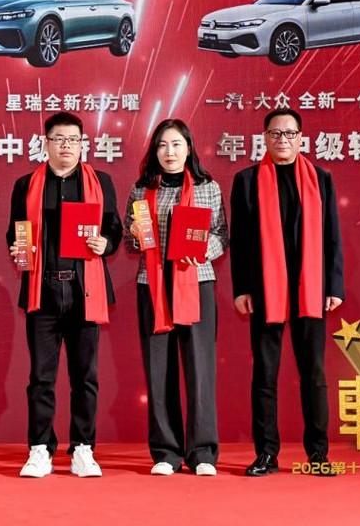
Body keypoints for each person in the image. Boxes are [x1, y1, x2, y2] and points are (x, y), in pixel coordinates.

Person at [230, 108, 345, 478]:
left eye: (290, 133)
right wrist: (241, 288)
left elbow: (332, 235)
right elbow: (240, 242)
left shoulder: (321, 179)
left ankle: (318, 454)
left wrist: (334, 286)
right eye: (275, 133)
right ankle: (266, 454)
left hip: (311, 289)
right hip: (265, 289)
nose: (283, 140)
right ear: (265, 137)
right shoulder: (246, 180)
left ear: (300, 138)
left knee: (314, 373)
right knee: (265, 374)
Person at [7, 112, 122, 478]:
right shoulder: (26, 184)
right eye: (59, 139)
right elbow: (15, 231)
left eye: (73, 140)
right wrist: (18, 249)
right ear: (46, 143)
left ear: (82, 144)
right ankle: (39, 448)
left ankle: (83, 448)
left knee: (85, 376)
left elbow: (114, 228)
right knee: (41, 376)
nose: (66, 146)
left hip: (84, 289)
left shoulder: (100, 182)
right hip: (42, 290)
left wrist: (106, 243)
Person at [125, 118, 227, 476]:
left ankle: (202, 452)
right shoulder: (141, 190)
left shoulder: (207, 187)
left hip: (196, 282)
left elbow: (221, 234)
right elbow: (131, 242)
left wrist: (203, 251)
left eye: (176, 144)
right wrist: (135, 235)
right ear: (154, 151)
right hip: (152, 285)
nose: (169, 152)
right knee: (159, 371)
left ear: (188, 149)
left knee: (200, 369)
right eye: (162, 145)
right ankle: (166, 452)